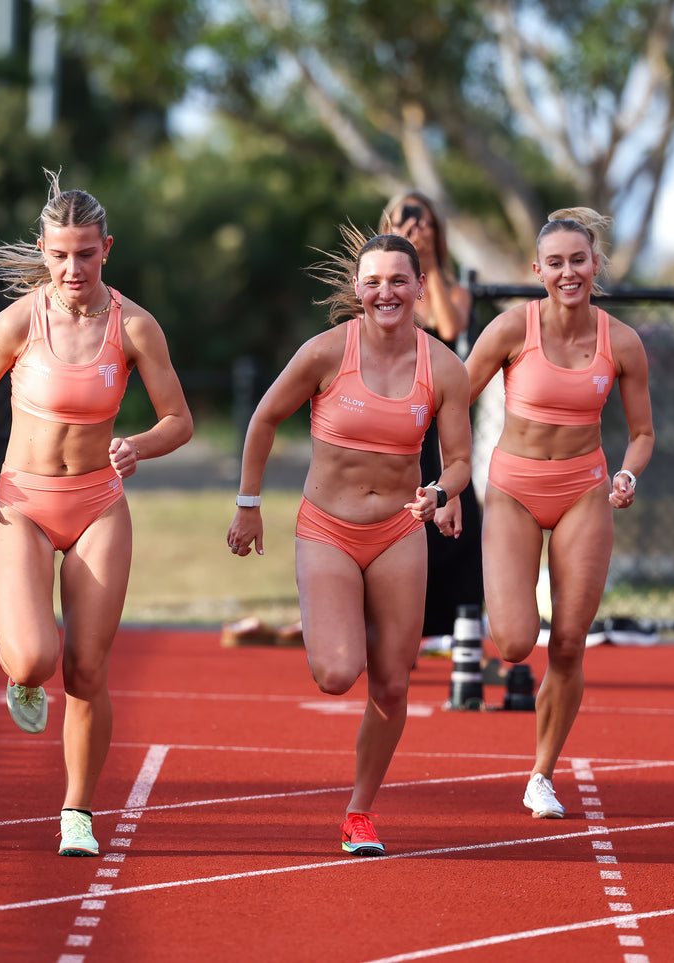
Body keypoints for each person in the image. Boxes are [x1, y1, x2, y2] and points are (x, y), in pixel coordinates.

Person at [0, 173, 192, 857]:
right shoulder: (20, 321)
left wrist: (136, 445)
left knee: (87, 668)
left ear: (105, 249)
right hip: (23, 501)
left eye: (85, 254)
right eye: (59, 254)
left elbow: (180, 419)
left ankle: (77, 810)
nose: (71, 269)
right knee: (32, 656)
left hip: (96, 504)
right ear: (42, 250)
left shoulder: (134, 324)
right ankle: (21, 674)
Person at [226, 228, 472, 856]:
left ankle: (360, 812)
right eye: (374, 281)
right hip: (328, 528)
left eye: (398, 280)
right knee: (338, 674)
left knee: (392, 684)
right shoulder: (326, 352)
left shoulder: (442, 366)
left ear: (419, 287)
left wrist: (439, 494)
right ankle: (346, 613)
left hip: (398, 533)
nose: (385, 291)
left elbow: (460, 461)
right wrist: (248, 504)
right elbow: (263, 419)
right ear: (357, 288)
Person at [441, 208, 653, 819]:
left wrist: (628, 472)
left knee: (567, 643)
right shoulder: (511, 329)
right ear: (538, 270)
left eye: (578, 261)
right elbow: (454, 395)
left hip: (584, 490)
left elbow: (642, 432)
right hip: (511, 489)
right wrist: (452, 483)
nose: (568, 273)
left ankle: (541, 773)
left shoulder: (623, 342)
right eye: (555, 263)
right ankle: (513, 651)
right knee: (511, 642)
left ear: (595, 266)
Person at [379, 191, 484, 640]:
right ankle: (387, 625)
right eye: (404, 220)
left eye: (423, 222)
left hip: (440, 419)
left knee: (458, 517)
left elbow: (448, 324)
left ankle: (453, 629)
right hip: (390, 419)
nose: (414, 226)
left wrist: (425, 265)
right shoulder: (380, 287)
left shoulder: (450, 285)